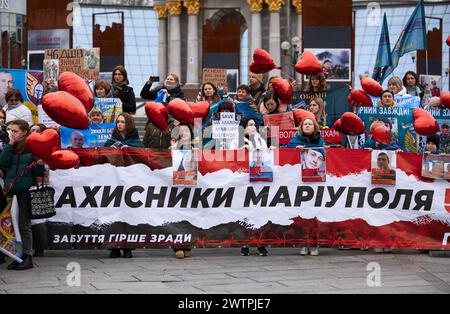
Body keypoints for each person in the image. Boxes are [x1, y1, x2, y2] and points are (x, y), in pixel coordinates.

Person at [0, 120, 45, 270]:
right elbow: (3, 163)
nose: (12, 134)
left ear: (24, 132)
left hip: (25, 192)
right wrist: (9, 145)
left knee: (23, 225)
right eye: (10, 131)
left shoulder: (32, 148)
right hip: (10, 191)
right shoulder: (10, 147)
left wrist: (40, 164)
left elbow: (38, 173)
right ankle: (17, 256)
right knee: (11, 225)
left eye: (15, 131)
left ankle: (28, 256)